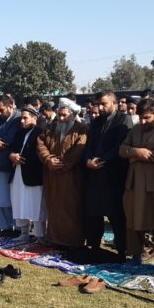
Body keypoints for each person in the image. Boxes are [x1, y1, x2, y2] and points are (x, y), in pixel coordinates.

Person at [119, 98, 154, 267]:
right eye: (141, 117)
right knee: (132, 220)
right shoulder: (135, 129)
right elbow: (122, 150)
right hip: (134, 183)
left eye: (147, 118)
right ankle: (135, 255)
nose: (143, 121)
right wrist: (137, 152)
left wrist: (134, 157)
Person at [83, 90, 133, 261]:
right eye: (99, 104)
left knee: (116, 216)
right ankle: (94, 247)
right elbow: (88, 144)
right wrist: (88, 160)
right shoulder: (96, 122)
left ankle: (121, 251)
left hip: (113, 174)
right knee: (94, 214)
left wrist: (101, 160)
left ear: (114, 103)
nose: (101, 107)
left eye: (104, 104)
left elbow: (121, 145)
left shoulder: (123, 119)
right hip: (94, 174)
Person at [37, 98, 88, 247]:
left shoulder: (81, 128)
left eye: (64, 115)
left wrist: (62, 165)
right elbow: (40, 144)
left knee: (70, 209)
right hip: (51, 176)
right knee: (54, 209)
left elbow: (79, 149)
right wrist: (48, 160)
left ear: (72, 115)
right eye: (59, 114)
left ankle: (71, 242)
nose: (60, 118)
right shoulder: (51, 127)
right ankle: (54, 239)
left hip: (71, 177)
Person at [9, 105, 46, 243]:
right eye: (21, 118)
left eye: (25, 118)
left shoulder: (40, 132)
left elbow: (41, 154)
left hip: (33, 175)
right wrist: (12, 156)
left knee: (35, 206)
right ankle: (24, 233)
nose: (22, 121)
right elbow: (12, 149)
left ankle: (40, 236)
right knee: (20, 203)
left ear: (34, 118)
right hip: (17, 174)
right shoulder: (19, 133)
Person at [0, 95, 21, 236]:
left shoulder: (18, 118)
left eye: (2, 110)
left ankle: (17, 227)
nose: (0, 113)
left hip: (12, 162)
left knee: (13, 197)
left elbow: (10, 138)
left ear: (10, 106)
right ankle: (5, 227)